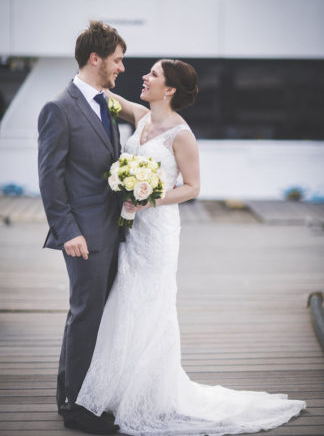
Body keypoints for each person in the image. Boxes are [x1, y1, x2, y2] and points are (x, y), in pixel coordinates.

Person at [76, 59, 306, 435]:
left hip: (157, 232)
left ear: (169, 90)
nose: (144, 78)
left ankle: (146, 394)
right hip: (131, 232)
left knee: (149, 305)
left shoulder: (181, 134)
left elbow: (193, 188)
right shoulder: (142, 117)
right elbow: (106, 96)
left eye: (153, 74)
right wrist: (93, 73)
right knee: (125, 302)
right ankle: (116, 391)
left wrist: (148, 197)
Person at [38, 21, 126, 434]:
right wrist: (68, 230)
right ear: (96, 59)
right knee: (85, 314)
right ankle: (75, 408)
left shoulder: (104, 102)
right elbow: (50, 177)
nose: (121, 68)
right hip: (84, 234)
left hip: (111, 229)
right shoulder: (59, 107)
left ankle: (73, 396)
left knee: (91, 315)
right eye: (117, 60)